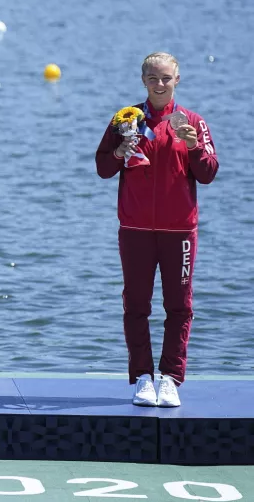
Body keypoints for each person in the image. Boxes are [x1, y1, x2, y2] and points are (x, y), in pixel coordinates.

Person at [95, 52, 218, 408]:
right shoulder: (126, 120)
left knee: (179, 306)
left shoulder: (192, 122)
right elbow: (103, 168)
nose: (159, 84)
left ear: (177, 79)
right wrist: (120, 149)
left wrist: (193, 146)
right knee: (136, 305)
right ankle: (143, 378)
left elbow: (209, 172)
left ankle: (170, 378)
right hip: (134, 229)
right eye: (153, 78)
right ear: (143, 80)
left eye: (166, 78)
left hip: (179, 232)